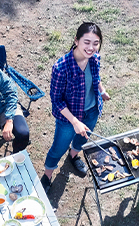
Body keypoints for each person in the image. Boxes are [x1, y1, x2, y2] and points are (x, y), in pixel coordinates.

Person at [40, 22, 110, 193]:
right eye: (87, 42)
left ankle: (73, 156)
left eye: (96, 43)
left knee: (82, 139)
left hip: (92, 111)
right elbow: (56, 100)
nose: (91, 47)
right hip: (68, 118)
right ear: (76, 41)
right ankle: (47, 175)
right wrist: (75, 122)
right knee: (58, 147)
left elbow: (96, 76)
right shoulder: (61, 67)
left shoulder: (95, 58)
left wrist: (102, 90)